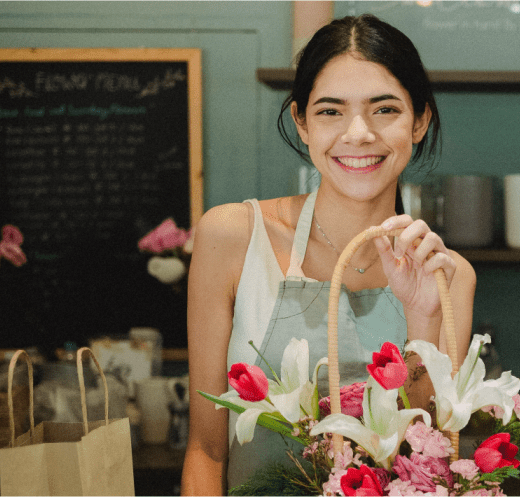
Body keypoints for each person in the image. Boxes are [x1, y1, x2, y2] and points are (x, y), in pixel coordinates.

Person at [181, 14, 475, 496]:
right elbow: (207, 449)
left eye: (385, 109)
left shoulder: (448, 276)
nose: (357, 133)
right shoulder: (234, 236)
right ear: (302, 123)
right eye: (330, 111)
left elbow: (430, 462)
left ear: (419, 121)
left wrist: (422, 318)